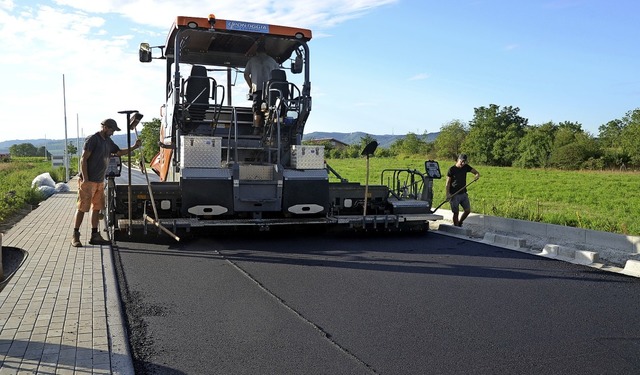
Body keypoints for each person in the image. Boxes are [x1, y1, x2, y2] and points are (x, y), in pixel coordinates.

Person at [71, 118, 141, 247]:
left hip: (99, 181)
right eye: (112, 130)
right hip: (88, 181)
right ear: (104, 127)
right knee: (82, 208)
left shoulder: (108, 142)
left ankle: (95, 235)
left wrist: (134, 147)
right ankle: (75, 235)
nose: (113, 132)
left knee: (97, 208)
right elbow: (83, 159)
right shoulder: (92, 139)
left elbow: (119, 152)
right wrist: (85, 179)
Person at [244, 41, 279, 134]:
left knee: (257, 109)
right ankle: (271, 126)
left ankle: (256, 128)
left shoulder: (252, 60)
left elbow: (246, 74)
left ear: (256, 52)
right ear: (266, 51)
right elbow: (278, 74)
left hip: (257, 88)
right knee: (271, 108)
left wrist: (251, 86)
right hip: (271, 90)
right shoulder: (272, 61)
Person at [445, 154, 480, 227]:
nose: (463, 163)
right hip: (454, 194)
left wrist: (477, 175)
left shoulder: (466, 167)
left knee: (467, 210)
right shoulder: (451, 169)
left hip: (463, 193)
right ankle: (456, 227)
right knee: (456, 213)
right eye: (462, 161)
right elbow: (448, 183)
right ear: (458, 160)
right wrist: (447, 194)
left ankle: (460, 222)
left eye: (465, 162)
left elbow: (476, 172)